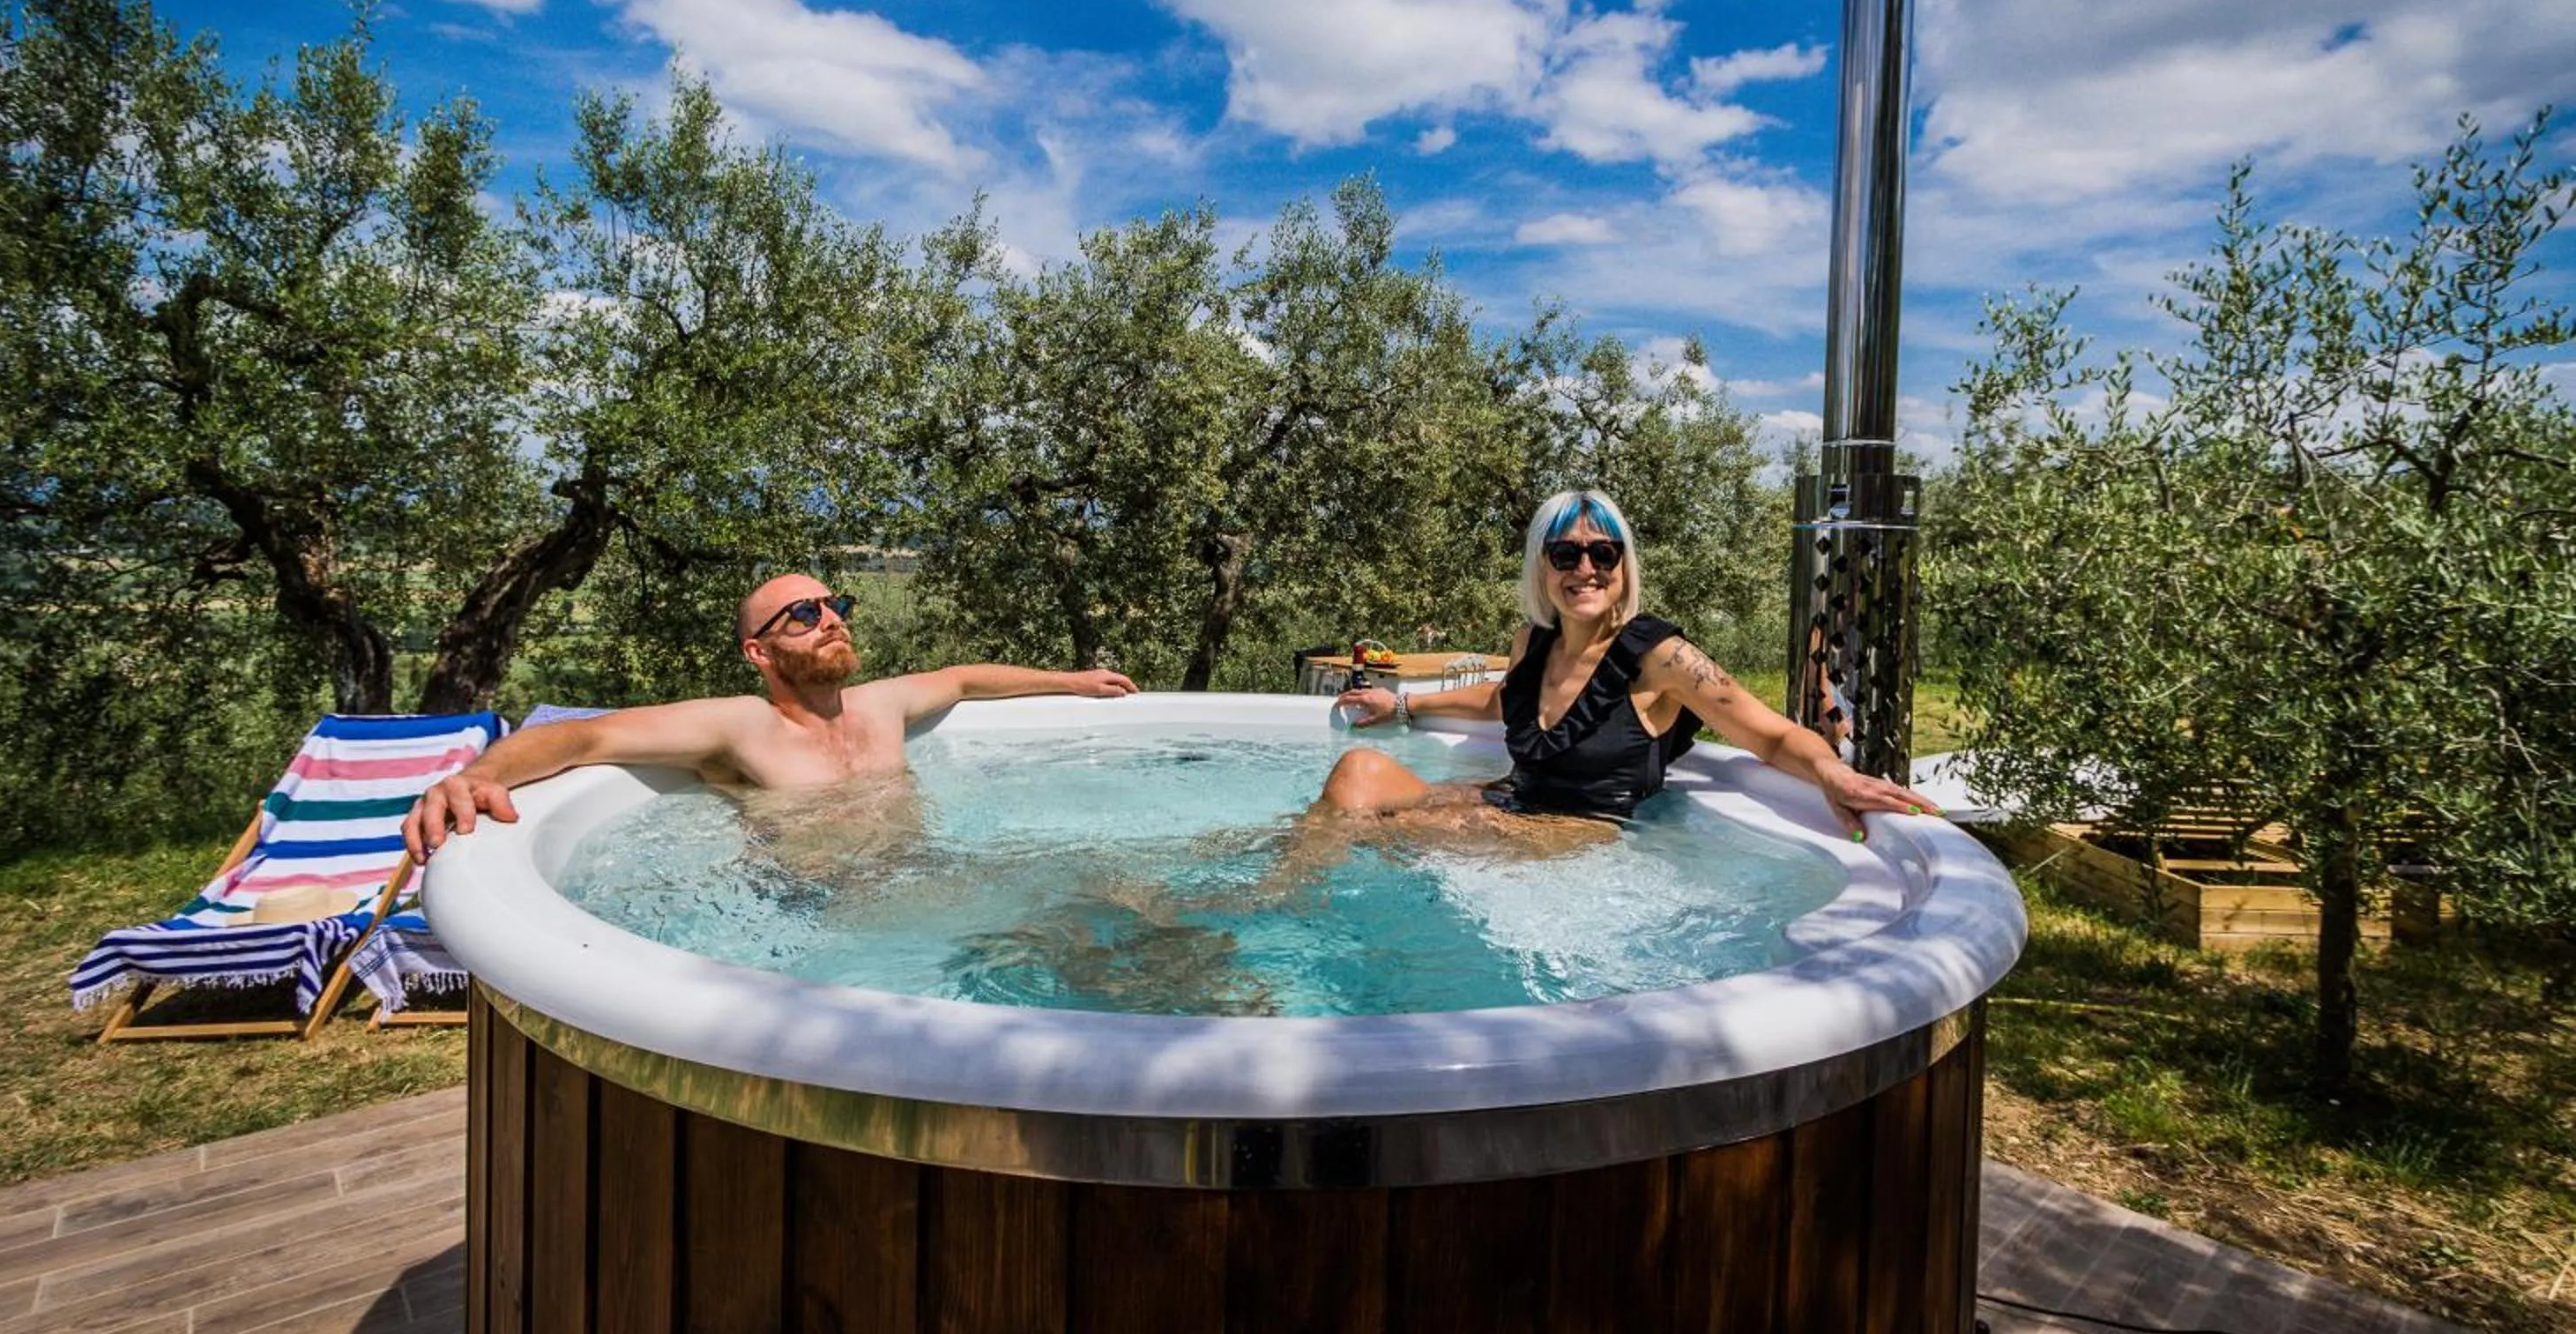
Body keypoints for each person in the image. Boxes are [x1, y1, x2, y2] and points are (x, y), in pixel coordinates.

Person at [1318, 490, 1938, 841]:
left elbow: (1768, 734)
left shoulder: (1660, 657)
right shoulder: (1532, 641)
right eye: (1566, 553)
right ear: (1542, 566)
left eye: (1602, 553)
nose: (1585, 569)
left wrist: (1834, 776)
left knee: (1377, 836)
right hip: (1511, 802)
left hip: (1579, 832)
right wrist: (1400, 703)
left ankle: (1289, 934)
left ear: (1622, 565)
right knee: (1358, 773)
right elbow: (1505, 700)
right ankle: (1274, 902)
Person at [402, 572, 1137, 861]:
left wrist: (1071, 680)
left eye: (836, 606)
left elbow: (963, 680)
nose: (831, 620)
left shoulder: (880, 707)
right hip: (825, 915)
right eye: (804, 614)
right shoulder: (742, 727)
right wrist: (474, 776)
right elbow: (582, 736)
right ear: (759, 652)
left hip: (931, 875)